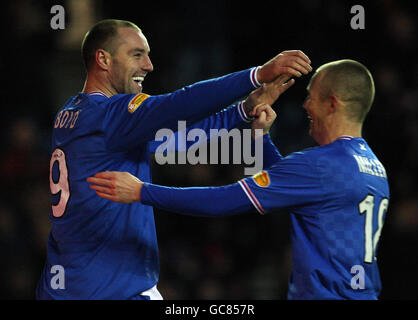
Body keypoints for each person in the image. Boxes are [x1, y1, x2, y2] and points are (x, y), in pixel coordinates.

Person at [36, 18, 312, 300]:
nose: (149, 65)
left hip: (64, 287)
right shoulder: (109, 116)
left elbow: (178, 139)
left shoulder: (72, 113)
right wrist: (257, 74)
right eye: (137, 54)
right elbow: (180, 103)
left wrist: (244, 110)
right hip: (110, 289)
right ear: (103, 59)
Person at [88, 59, 390, 300]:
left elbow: (224, 201)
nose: (304, 106)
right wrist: (260, 137)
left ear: (332, 104)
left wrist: (142, 191)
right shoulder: (373, 168)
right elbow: (296, 185)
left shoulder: (321, 165)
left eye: (310, 97)